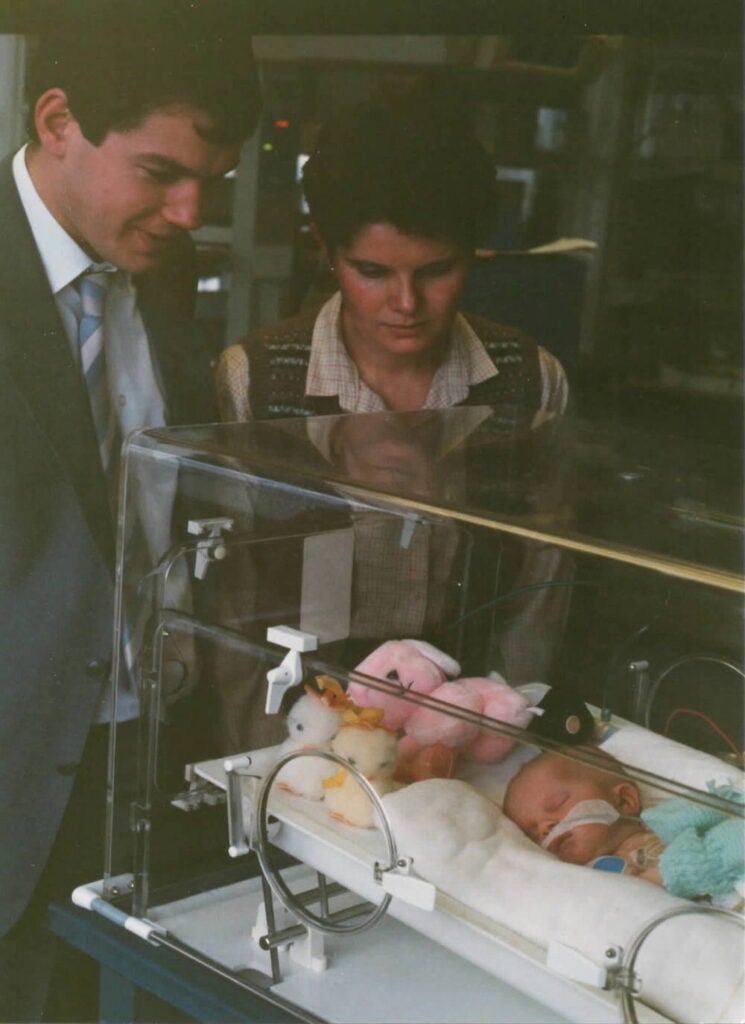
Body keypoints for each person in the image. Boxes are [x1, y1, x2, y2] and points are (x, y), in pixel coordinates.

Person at [0, 14, 261, 1020]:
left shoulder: (153, 283)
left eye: (214, 180)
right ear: (58, 119)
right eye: (160, 171)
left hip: (137, 778)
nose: (190, 210)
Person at [216, 86, 567, 424]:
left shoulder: (533, 380)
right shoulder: (252, 381)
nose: (407, 304)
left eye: (436, 271)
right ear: (326, 247)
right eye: (373, 272)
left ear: (472, 252)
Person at [503, 751, 744, 905]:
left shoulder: (668, 820)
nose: (545, 828)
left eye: (557, 804)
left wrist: (673, 872)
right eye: (532, 834)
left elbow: (736, 826)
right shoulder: (573, 882)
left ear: (624, 801)